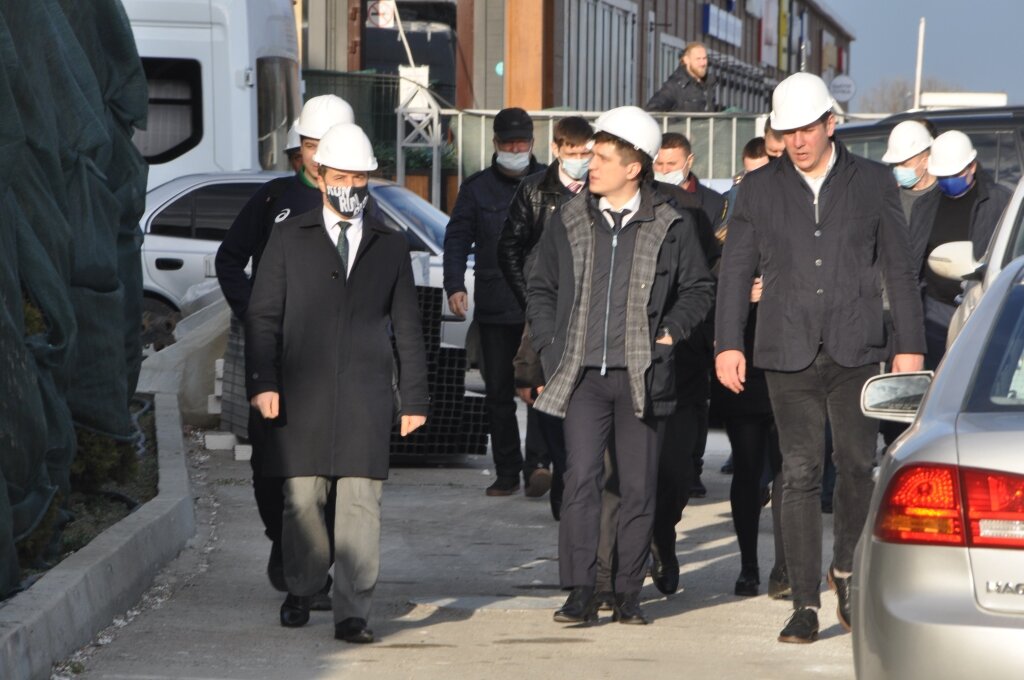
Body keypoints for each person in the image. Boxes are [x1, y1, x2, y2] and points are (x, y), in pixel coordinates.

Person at [715, 73, 926, 644]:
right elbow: (735, 271)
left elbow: (899, 268)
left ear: (831, 124)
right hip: (786, 348)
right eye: (788, 132)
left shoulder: (873, 182)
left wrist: (909, 344)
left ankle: (848, 571)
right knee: (800, 471)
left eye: (807, 129)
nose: (798, 141)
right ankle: (805, 602)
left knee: (855, 464)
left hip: (856, 346)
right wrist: (727, 342)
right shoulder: (758, 190)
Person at [528, 105, 715, 626]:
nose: (592, 165)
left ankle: (629, 593)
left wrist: (670, 332)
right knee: (581, 481)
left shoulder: (672, 224)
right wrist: (549, 345)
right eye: (592, 156)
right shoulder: (569, 219)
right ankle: (580, 591)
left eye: (604, 158)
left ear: (634, 168)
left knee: (637, 487)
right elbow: (541, 287)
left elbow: (699, 288)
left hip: (643, 376)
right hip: (582, 377)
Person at [245, 123, 429, 644]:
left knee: (360, 506)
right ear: (320, 176)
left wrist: (414, 397)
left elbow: (408, 326)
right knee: (301, 500)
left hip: (366, 394)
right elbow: (262, 317)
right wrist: (263, 381)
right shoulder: (288, 238)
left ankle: (353, 612)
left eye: (360, 177)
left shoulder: (390, 246)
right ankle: (303, 586)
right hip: (300, 392)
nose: (351, 186)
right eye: (342, 176)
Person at [215, 94, 354, 600]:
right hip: (272, 357)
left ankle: (312, 562)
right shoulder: (274, 199)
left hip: (331, 362)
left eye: (328, 146)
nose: (319, 157)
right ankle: (284, 540)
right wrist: (255, 312)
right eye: (312, 146)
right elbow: (229, 259)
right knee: (269, 467)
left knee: (330, 471)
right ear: (300, 149)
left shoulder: (360, 207)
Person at [444, 108, 545, 496]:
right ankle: (507, 471)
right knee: (499, 394)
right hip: (494, 307)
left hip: (540, 308)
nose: (515, 150)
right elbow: (457, 239)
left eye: (521, 143)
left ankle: (538, 468)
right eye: (508, 143)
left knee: (540, 391)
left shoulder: (549, 183)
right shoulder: (477, 189)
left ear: (532, 143)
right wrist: (455, 284)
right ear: (496, 144)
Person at [498, 116, 594, 514]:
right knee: (545, 393)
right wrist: (533, 302)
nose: (581, 160)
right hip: (546, 309)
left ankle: (570, 483)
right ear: (556, 150)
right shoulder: (534, 189)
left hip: (588, 310)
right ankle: (552, 476)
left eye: (587, 153)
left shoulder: (599, 188)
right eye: (573, 153)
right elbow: (509, 247)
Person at [921, 130, 1010, 368]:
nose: (948, 180)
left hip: (982, 305)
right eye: (943, 176)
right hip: (935, 310)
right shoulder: (926, 204)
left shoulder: (999, 202)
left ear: (972, 166)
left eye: (955, 174)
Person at [644, 42, 717, 113]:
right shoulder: (674, 87)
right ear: (686, 60)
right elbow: (651, 111)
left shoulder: (709, 85)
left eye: (704, 58)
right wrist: (676, 121)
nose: (703, 63)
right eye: (698, 59)